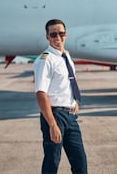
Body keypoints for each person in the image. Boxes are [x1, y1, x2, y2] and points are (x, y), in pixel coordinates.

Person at [34, 19, 87, 174]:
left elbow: (68, 82)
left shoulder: (66, 56)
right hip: (55, 115)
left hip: (71, 116)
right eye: (53, 34)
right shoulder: (45, 59)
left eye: (61, 33)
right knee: (52, 161)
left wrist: (74, 101)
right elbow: (40, 93)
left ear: (66, 34)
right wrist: (52, 125)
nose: (58, 37)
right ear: (47, 37)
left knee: (80, 161)